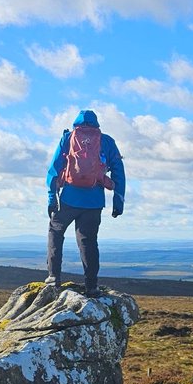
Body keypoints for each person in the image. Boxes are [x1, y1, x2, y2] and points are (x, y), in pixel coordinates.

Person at [45, 110, 125, 297]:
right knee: (88, 242)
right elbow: (118, 171)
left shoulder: (68, 138)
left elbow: (54, 168)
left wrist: (51, 196)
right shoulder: (106, 141)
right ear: (97, 124)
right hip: (94, 201)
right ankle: (91, 286)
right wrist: (118, 200)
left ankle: (53, 278)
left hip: (68, 199)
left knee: (55, 232)